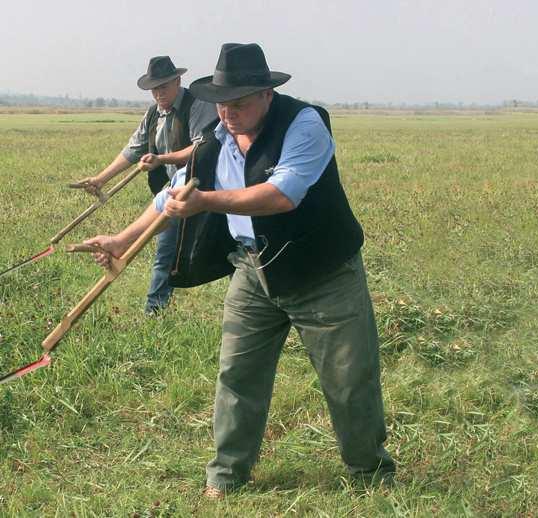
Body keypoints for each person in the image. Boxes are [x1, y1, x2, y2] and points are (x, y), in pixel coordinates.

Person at [84, 43, 395, 497]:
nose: (229, 112)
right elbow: (168, 197)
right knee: (237, 376)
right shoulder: (213, 138)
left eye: (240, 102)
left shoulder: (304, 124)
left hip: (324, 274)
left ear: (267, 94)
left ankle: (369, 471)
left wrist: (207, 201)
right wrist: (121, 239)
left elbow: (281, 194)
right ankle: (226, 476)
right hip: (254, 271)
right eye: (223, 103)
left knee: (349, 380)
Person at [71, 55, 217, 314]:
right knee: (165, 253)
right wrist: (101, 179)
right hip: (173, 193)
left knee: (224, 251)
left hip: (206, 189)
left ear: (178, 81)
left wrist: (162, 158)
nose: (158, 93)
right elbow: (133, 149)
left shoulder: (197, 105)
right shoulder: (154, 114)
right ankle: (155, 312)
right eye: (154, 88)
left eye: (163, 86)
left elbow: (201, 149)